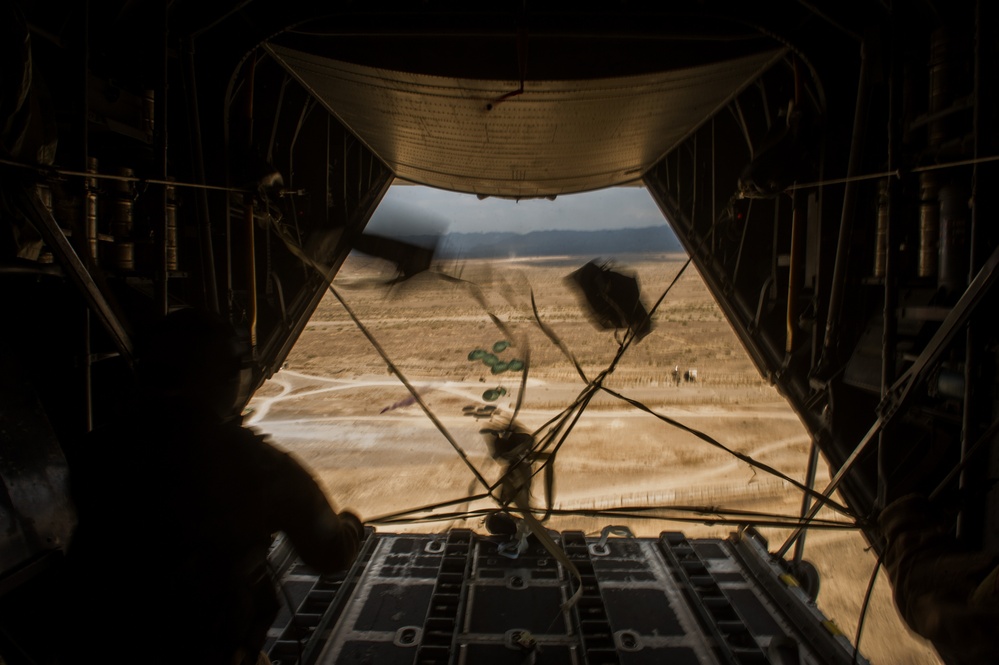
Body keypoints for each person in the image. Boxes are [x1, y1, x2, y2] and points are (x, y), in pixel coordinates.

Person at [62, 308, 363, 664]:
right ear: (221, 378)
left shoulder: (95, 451)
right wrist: (352, 524)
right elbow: (331, 553)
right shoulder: (255, 464)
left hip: (100, 645)